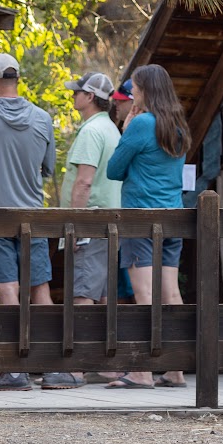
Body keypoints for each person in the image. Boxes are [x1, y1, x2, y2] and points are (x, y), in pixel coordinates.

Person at [0, 52, 79, 391]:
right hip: (33, 217)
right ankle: (53, 368)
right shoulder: (43, 118)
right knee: (40, 288)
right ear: (17, 79)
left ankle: (16, 370)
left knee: (7, 289)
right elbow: (47, 167)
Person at [106, 63, 188, 388]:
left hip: (141, 219)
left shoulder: (141, 124)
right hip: (173, 218)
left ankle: (142, 371)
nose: (133, 93)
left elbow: (114, 170)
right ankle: (175, 368)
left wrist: (126, 129)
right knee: (171, 292)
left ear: (146, 90)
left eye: (136, 88)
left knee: (144, 293)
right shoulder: (177, 124)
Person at [63, 71, 124, 384]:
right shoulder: (111, 129)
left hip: (89, 224)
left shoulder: (91, 131)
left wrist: (75, 226)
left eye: (77, 92)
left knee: (82, 294)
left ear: (89, 97)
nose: (73, 96)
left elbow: (84, 181)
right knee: (102, 296)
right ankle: (107, 365)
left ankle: (77, 366)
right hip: (109, 224)